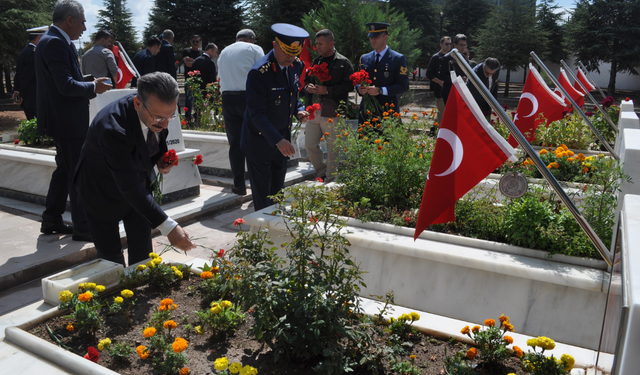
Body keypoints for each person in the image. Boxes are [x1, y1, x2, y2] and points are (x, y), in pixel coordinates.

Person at [75, 72, 196, 266]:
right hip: (101, 191)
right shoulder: (113, 129)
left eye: (170, 116)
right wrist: (170, 228)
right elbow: (129, 185)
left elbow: (149, 141)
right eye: (159, 118)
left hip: (136, 186)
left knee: (143, 253)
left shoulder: (156, 109)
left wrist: (158, 159)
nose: (165, 124)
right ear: (138, 104)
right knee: (110, 259)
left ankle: (142, 286)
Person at [35, 0, 112, 240]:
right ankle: (84, 227)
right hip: (67, 121)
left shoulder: (53, 40)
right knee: (78, 173)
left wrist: (88, 80)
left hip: (63, 119)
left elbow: (65, 79)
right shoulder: (55, 43)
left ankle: (51, 219)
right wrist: (93, 86)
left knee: (64, 170)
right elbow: (65, 86)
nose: (85, 28)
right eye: (83, 21)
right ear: (70, 20)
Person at [241, 23, 309, 211]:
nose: (290, 57)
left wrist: (299, 110)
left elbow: (293, 94)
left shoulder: (296, 65)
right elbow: (256, 113)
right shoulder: (259, 72)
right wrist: (278, 140)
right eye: (287, 52)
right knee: (263, 197)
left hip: (281, 141)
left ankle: (276, 228)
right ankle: (263, 232)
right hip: (260, 142)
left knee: (277, 194)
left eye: (294, 53)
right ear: (275, 45)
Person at [218, 29, 264, 196]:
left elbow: (220, 77)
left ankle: (239, 185)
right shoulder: (254, 49)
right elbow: (262, 72)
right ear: (251, 39)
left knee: (235, 144)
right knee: (255, 141)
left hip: (228, 99)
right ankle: (258, 184)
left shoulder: (224, 51)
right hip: (248, 98)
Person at [303, 29, 354, 182]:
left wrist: (328, 90)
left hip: (333, 111)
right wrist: (308, 87)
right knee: (309, 145)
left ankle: (331, 179)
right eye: (316, 44)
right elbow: (306, 81)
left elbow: (349, 85)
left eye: (320, 44)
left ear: (331, 43)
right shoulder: (316, 61)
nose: (317, 47)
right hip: (315, 111)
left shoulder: (343, 62)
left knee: (333, 148)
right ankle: (322, 173)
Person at [357, 22, 409, 122]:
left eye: (376, 37)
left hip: (387, 112)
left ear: (385, 37)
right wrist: (359, 88)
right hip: (367, 113)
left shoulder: (397, 59)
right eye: (371, 37)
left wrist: (380, 90)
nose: (373, 40)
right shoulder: (364, 58)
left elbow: (403, 86)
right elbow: (358, 81)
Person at [13, 26, 46, 120]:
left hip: (29, 100)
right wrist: (21, 94)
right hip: (34, 99)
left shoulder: (23, 52)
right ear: (39, 38)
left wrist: (17, 90)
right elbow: (27, 76)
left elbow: (18, 74)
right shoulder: (33, 54)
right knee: (39, 129)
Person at [426, 36, 451, 126]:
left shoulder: (451, 57)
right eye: (446, 44)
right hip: (439, 91)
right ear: (441, 45)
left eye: (450, 44)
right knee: (441, 114)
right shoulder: (435, 57)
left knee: (449, 115)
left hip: (450, 91)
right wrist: (440, 82)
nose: (448, 46)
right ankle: (439, 135)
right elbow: (429, 73)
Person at [438, 34, 468, 104]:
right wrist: (457, 79)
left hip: (461, 90)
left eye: (465, 45)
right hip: (449, 92)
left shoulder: (463, 56)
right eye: (461, 45)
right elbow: (442, 75)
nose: (463, 47)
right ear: (455, 45)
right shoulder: (447, 58)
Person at [182, 35, 203, 120]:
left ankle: (197, 116)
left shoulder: (202, 52)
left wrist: (192, 61)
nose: (195, 43)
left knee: (198, 99)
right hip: (189, 79)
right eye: (193, 41)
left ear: (200, 42)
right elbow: (187, 63)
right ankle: (188, 117)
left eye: (197, 41)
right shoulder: (186, 51)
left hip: (199, 79)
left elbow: (202, 65)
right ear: (190, 42)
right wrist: (198, 62)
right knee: (189, 99)